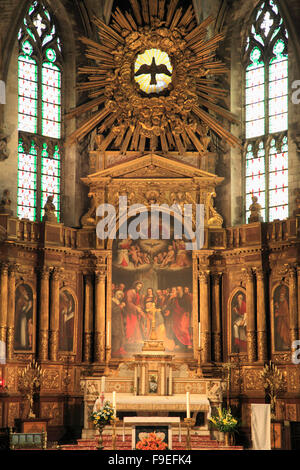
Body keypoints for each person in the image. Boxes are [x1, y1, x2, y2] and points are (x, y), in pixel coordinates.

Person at [111, 290, 126, 356]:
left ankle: (120, 349)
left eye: (121, 295)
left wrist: (122, 307)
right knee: (116, 334)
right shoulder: (112, 301)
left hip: (119, 320)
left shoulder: (118, 302)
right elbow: (113, 311)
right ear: (116, 294)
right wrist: (121, 306)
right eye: (119, 295)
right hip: (114, 321)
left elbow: (123, 312)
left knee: (121, 334)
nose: (120, 296)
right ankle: (115, 350)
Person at [274, 285, 290, 350]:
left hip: (285, 320)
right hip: (280, 321)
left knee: (284, 333)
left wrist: (278, 313)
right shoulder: (279, 302)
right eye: (280, 295)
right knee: (279, 333)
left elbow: (285, 312)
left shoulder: (285, 302)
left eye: (282, 295)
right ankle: (282, 345)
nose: (281, 296)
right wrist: (277, 307)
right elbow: (278, 310)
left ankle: (286, 345)